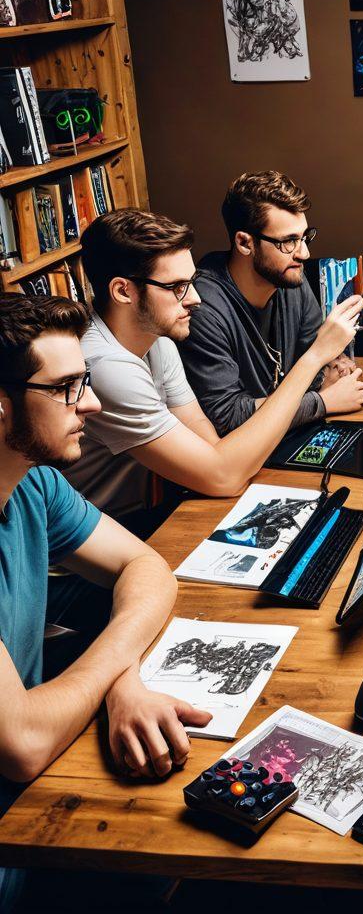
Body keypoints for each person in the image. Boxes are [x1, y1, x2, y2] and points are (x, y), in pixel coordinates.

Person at [0, 294, 212, 910]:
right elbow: (24, 741)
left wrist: (124, 678)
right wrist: (119, 669)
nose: (90, 403)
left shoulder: (31, 477)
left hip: (37, 816)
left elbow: (146, 566)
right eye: (66, 388)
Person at [68, 208, 363, 531]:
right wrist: (315, 357)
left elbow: (216, 450)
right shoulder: (107, 367)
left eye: (191, 282)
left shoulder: (156, 336)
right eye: (177, 287)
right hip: (83, 545)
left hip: (134, 516)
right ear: (123, 291)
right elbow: (223, 476)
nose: (194, 298)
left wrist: (227, 466)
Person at [179, 170, 363, 435]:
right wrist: (323, 403)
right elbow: (227, 417)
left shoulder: (290, 280)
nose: (304, 253)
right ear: (245, 243)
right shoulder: (202, 309)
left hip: (284, 438)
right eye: (289, 241)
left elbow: (318, 372)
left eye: (304, 237)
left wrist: (331, 366)